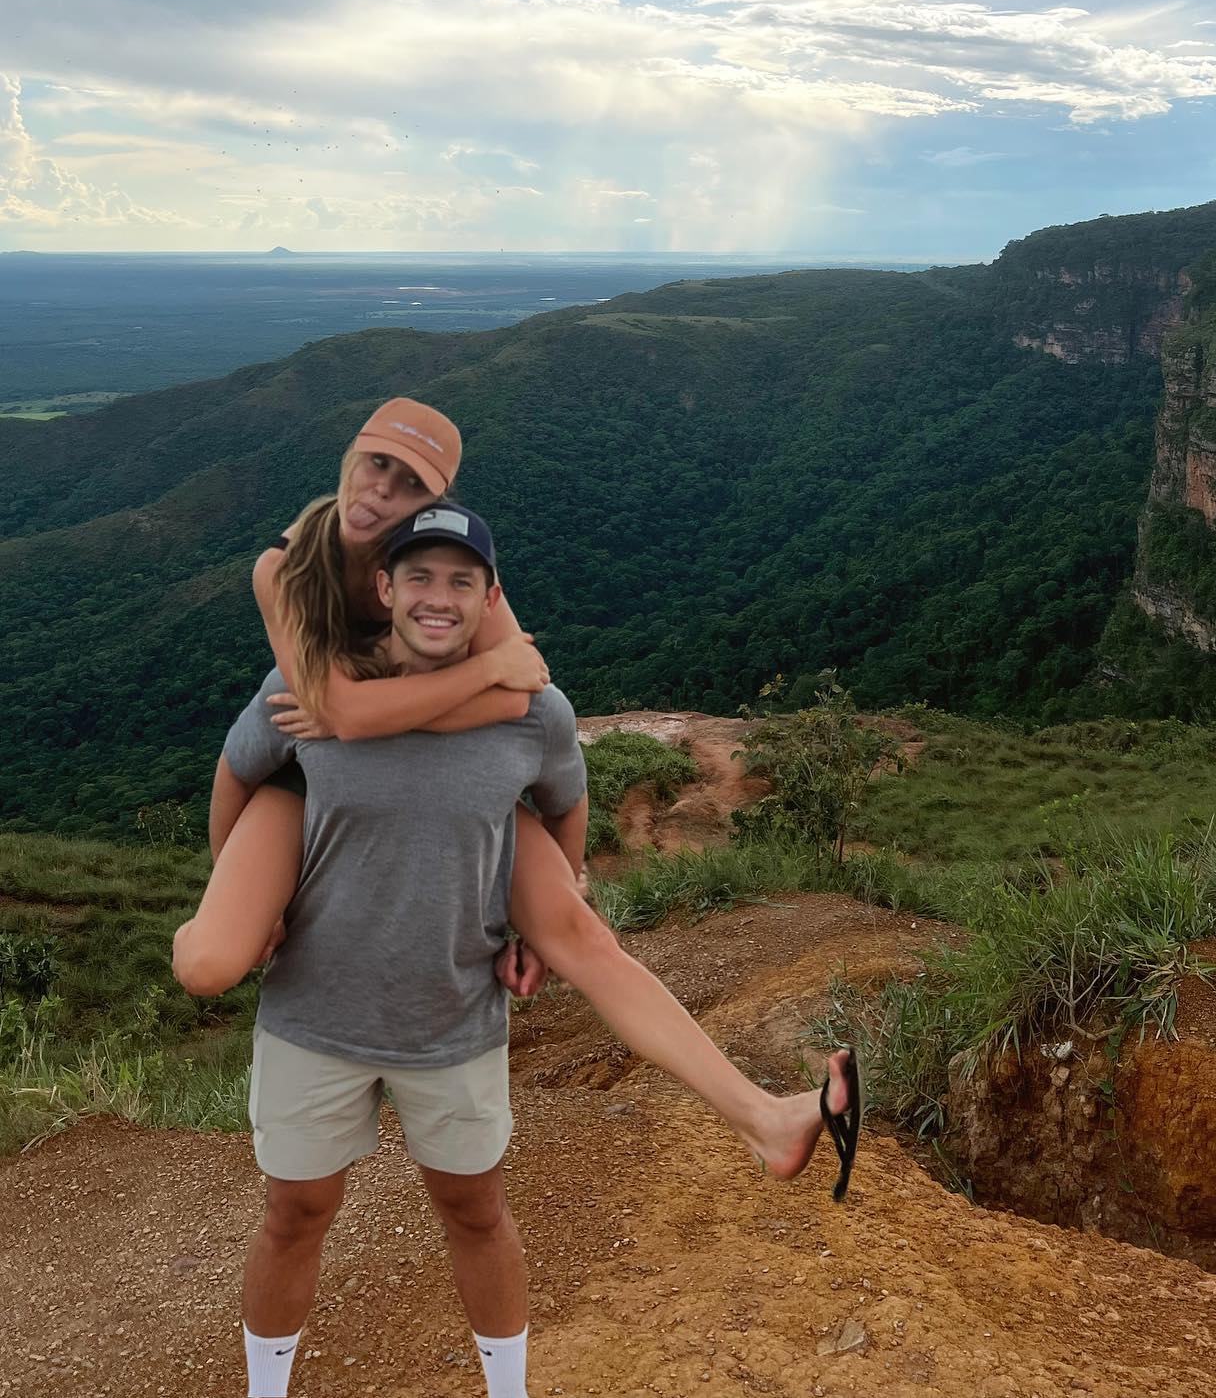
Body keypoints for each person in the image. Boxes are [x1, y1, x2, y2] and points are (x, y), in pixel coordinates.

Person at [174, 505, 859, 1398]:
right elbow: (237, 769)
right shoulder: (311, 683)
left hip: (452, 1017)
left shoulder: (532, 712)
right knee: (294, 1214)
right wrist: (240, 895)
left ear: (490, 597)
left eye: (461, 580)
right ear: (383, 587)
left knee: (477, 1209)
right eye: (419, 575)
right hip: (317, 1012)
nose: (438, 596)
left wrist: (546, 910)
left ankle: (764, 1123)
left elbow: (565, 798)